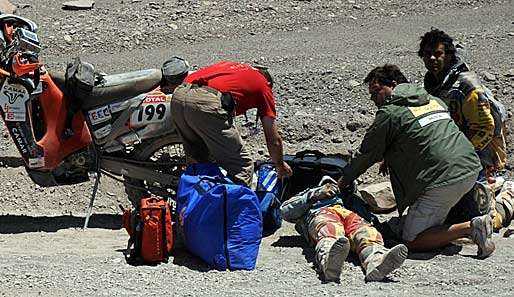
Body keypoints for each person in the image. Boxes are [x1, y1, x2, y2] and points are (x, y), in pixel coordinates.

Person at [337, 64, 495, 258]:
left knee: (412, 240)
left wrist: (344, 180)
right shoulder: (433, 100)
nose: (373, 98)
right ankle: (450, 225)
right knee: (429, 213)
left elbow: (367, 153)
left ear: (393, 85)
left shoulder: (390, 112)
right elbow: (424, 134)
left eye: (376, 92)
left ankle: (471, 227)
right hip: (470, 168)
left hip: (444, 179)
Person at [418, 28, 512, 231]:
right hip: (454, 153)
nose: (433, 58)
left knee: (483, 219)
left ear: (449, 55)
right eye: (428, 54)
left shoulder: (466, 87)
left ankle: (507, 196)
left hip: (478, 153)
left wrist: (459, 155)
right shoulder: (434, 82)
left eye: (438, 53)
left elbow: (486, 128)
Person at [169, 60, 292, 186]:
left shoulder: (232, 67)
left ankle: (195, 199)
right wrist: (280, 165)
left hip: (179, 95)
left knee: (198, 162)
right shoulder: (264, 86)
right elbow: (273, 140)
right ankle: (236, 204)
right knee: (241, 165)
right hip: (205, 102)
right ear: (269, 81)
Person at [281, 176, 408, 282]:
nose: (333, 188)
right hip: (320, 212)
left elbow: (368, 216)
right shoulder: (310, 196)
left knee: (366, 231)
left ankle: (376, 261)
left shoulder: (349, 198)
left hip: (348, 214)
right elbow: (285, 211)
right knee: (329, 229)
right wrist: (315, 195)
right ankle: (329, 261)